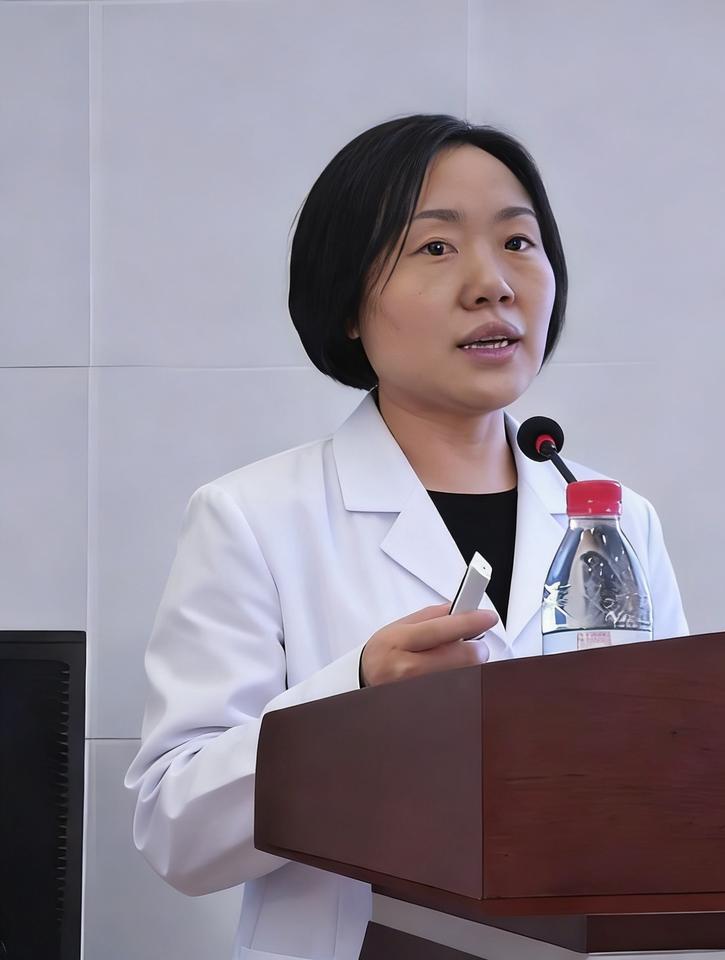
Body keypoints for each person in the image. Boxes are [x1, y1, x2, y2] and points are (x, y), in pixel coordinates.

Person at [124, 114, 688, 960]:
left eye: (518, 242)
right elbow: (180, 834)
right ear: (350, 303)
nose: (492, 284)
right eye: (436, 248)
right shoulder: (252, 516)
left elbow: (678, 790)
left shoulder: (618, 520)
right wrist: (354, 695)